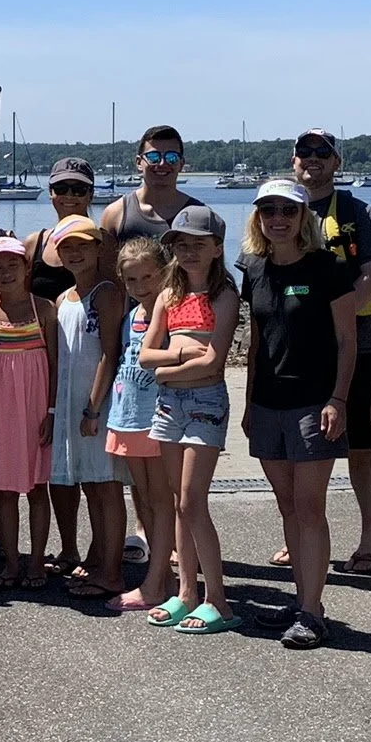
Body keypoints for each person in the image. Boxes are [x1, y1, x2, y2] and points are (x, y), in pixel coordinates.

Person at [237, 179, 360, 650]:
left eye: (287, 210)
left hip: (315, 403)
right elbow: (255, 345)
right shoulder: (254, 268)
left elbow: (348, 340)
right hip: (268, 404)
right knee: (287, 504)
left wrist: (339, 400)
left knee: (310, 507)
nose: (278, 219)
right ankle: (303, 599)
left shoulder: (327, 267)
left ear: (303, 216)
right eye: (268, 211)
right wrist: (248, 403)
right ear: (259, 219)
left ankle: (312, 610)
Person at [289, 129, 371, 577]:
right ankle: (301, 537)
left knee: (364, 445)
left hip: (358, 338)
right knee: (300, 444)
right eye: (304, 152)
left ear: (336, 162)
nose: (312, 160)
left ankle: (369, 539)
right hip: (297, 345)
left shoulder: (357, 211)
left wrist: (339, 317)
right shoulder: (278, 209)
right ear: (293, 160)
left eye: (322, 153)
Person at [138, 206, 242, 629]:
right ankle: (186, 592)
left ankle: (218, 599)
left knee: (193, 500)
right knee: (179, 503)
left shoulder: (224, 296)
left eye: (198, 244)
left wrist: (167, 369)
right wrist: (178, 358)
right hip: (168, 406)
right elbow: (146, 354)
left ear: (217, 248)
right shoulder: (169, 295)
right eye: (181, 244)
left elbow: (215, 363)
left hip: (205, 403)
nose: (189, 251)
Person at [46, 214, 126, 598]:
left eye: (83, 245)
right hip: (69, 406)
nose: (75, 253)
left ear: (98, 249)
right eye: (67, 247)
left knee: (105, 486)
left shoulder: (107, 292)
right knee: (90, 485)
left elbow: (109, 354)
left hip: (97, 406)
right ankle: (97, 558)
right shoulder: (63, 298)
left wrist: (94, 408)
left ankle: (111, 571)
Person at [0, 236, 56, 588]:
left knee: (39, 488)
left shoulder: (45, 309)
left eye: (13, 265)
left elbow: (54, 366)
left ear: (27, 268)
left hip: (37, 409)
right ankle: (10, 562)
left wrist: (52, 411)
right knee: (3, 491)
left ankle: (36, 562)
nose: (6, 273)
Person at [106, 239, 180, 615]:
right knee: (146, 499)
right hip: (128, 415)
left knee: (162, 500)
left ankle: (155, 583)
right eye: (132, 279)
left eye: (148, 276)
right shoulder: (131, 315)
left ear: (165, 271)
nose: (141, 286)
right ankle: (161, 576)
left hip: (159, 418)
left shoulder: (173, 313)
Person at [102, 125, 209, 244]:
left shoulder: (201, 216)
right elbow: (106, 262)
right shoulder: (115, 214)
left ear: (181, 164)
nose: (162, 163)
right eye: (153, 157)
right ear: (138, 163)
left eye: (171, 157)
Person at [25, 157, 98, 301]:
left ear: (91, 194)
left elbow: (116, 297)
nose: (69, 195)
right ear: (51, 192)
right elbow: (21, 298)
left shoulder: (103, 242)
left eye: (79, 190)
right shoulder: (34, 243)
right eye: (61, 189)